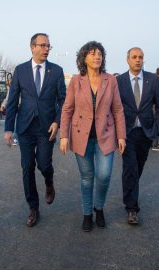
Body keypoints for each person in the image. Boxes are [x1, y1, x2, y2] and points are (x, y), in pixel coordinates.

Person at [60, 41, 126, 231]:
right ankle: (87, 213)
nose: (97, 57)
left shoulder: (110, 80)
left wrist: (121, 136)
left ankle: (99, 207)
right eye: (92, 54)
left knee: (104, 176)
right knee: (87, 177)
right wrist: (64, 135)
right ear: (84, 58)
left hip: (106, 135)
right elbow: (67, 109)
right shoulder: (76, 80)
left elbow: (118, 109)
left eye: (100, 54)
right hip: (82, 136)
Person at [4, 33, 66, 227]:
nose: (46, 49)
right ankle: (33, 207)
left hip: (47, 128)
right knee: (27, 166)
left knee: (44, 164)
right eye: (42, 45)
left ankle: (49, 182)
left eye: (49, 46)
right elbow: (13, 100)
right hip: (25, 127)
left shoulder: (56, 71)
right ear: (32, 47)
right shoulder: (20, 70)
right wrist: (8, 129)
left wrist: (58, 121)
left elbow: (63, 100)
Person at [116, 47, 159, 224]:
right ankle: (132, 209)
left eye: (141, 57)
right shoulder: (119, 81)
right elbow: (115, 108)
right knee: (131, 167)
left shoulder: (152, 80)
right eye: (134, 57)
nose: (138, 60)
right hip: (126, 132)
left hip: (146, 132)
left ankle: (129, 191)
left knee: (138, 168)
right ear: (127, 59)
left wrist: (157, 128)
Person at [1, 79, 18, 145]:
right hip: (14, 108)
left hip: (22, 108)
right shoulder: (11, 89)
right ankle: (15, 138)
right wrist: (3, 105)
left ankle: (16, 138)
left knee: (18, 123)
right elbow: (7, 98)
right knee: (15, 123)